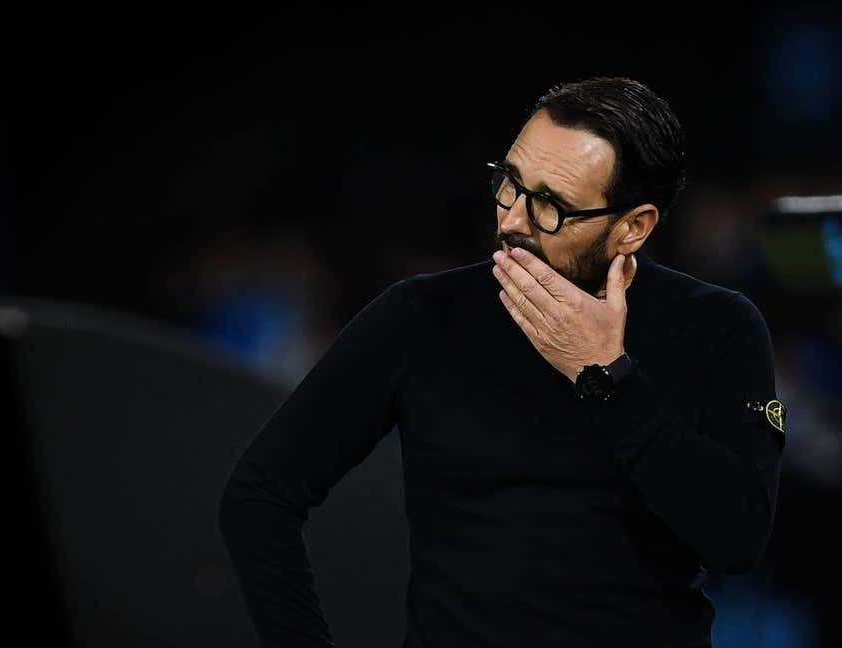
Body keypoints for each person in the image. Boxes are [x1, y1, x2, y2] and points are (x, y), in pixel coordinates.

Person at [218, 76, 786, 647]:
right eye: (509, 183)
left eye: (550, 206)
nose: (511, 220)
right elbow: (260, 493)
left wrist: (607, 376)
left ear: (633, 227)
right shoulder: (422, 316)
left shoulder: (718, 327)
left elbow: (736, 540)